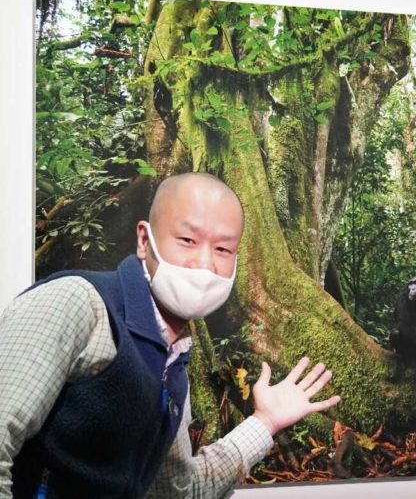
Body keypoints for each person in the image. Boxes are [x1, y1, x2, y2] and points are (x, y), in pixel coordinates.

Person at [0, 172, 340, 498]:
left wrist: (265, 422)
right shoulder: (77, 303)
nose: (205, 264)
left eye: (222, 250)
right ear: (145, 241)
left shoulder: (173, 364)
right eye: (188, 241)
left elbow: (177, 491)